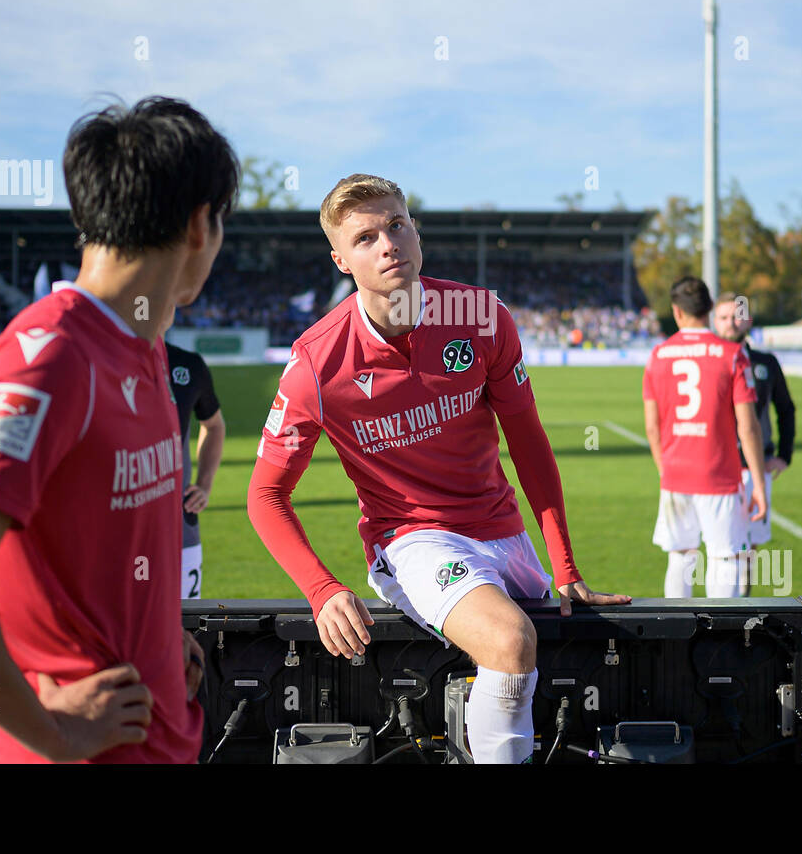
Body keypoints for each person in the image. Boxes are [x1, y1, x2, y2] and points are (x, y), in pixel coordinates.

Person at [0, 96, 239, 762]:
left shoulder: (146, 345)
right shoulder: (53, 354)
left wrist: (162, 634)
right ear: (201, 225)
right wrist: (53, 733)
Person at [246, 173, 629, 764]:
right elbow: (266, 495)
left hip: (503, 533)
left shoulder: (481, 317)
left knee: (552, 656)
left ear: (415, 230)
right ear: (341, 260)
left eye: (396, 225)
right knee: (509, 640)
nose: (388, 244)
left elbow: (527, 442)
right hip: (412, 539)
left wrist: (565, 563)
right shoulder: (315, 366)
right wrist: (321, 590)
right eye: (366, 237)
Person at [643, 276, 767, 598]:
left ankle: (674, 642)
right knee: (725, 558)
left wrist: (663, 469)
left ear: (676, 312)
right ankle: (718, 644)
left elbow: (652, 427)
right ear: (710, 309)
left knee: (680, 557)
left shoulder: (658, 355)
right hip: (719, 477)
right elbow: (748, 427)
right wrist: (759, 482)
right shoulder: (733, 354)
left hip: (675, 475)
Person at [712, 292, 796, 590]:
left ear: (748, 319)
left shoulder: (765, 363)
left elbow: (786, 409)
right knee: (718, 546)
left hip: (754, 468)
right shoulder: (708, 362)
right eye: (722, 317)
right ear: (713, 321)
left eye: (736, 315)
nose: (730, 323)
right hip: (716, 470)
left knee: (749, 547)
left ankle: (743, 605)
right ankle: (716, 611)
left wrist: (784, 455)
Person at [165, 336, 225, 599]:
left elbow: (214, 425)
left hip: (182, 528)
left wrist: (204, 485)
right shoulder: (104, 359)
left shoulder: (188, 366)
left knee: (188, 625)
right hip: (119, 532)